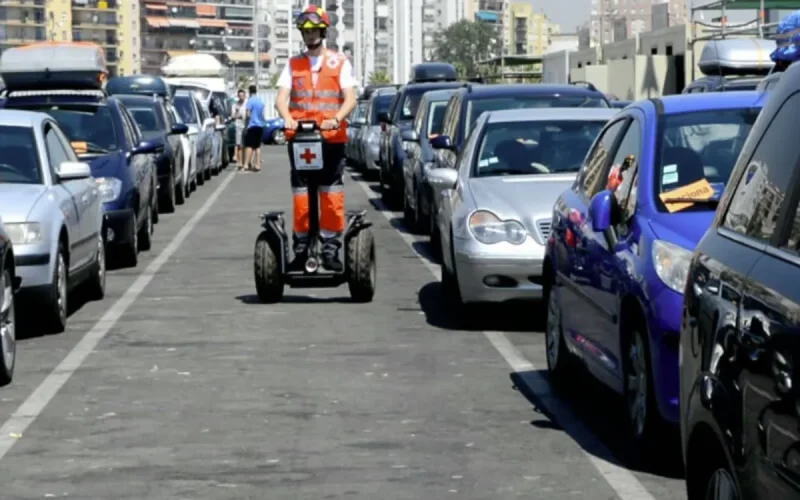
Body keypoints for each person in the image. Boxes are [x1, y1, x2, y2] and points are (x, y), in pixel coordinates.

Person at [274, 5, 357, 272]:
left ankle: (331, 250)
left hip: (330, 138)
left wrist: (338, 117)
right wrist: (286, 115)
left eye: (314, 31)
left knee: (331, 194)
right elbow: (280, 98)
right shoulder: (293, 64)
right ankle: (301, 249)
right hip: (301, 138)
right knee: (301, 195)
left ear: (323, 31)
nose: (310, 36)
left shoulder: (339, 62)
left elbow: (351, 97)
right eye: (305, 31)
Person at [243, 84, 266, 172]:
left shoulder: (250, 101)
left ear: (249, 91)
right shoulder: (260, 101)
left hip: (252, 125)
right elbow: (263, 114)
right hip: (260, 125)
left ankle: (246, 164)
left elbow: (248, 114)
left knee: (249, 145)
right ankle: (258, 165)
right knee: (257, 146)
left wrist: (246, 125)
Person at [231, 89, 247, 169]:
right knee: (239, 144)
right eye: (239, 96)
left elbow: (247, 115)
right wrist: (237, 113)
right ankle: (240, 162)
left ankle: (246, 162)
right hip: (238, 125)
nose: (241, 97)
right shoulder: (235, 105)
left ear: (245, 95)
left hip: (246, 125)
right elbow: (233, 116)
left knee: (246, 145)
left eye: (242, 95)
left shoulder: (247, 104)